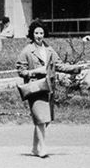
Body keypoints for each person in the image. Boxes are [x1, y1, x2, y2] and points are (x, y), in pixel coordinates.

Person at [17, 19, 85, 158]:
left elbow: (60, 65)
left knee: (45, 120)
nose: (39, 36)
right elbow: (21, 71)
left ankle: (35, 148)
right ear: (32, 34)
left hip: (48, 88)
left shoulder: (49, 49)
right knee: (41, 119)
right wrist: (36, 71)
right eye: (36, 33)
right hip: (35, 88)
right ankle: (42, 148)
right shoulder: (27, 51)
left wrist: (78, 68)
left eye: (41, 33)